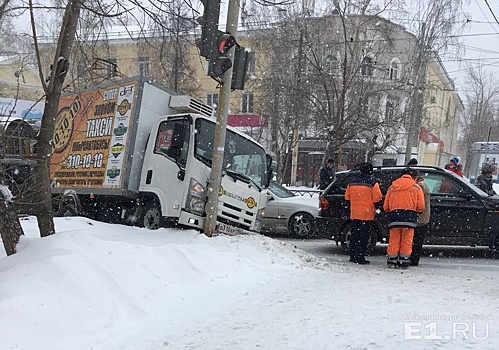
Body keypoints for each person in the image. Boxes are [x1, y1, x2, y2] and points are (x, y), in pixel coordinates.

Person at [383, 167, 425, 269]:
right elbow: (421, 207)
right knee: (407, 240)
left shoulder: (392, 188)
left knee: (394, 239)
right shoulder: (416, 188)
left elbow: (386, 207)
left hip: (394, 217)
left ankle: (392, 260)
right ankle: (404, 261)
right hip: (409, 218)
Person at [344, 162, 382, 265]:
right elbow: (377, 198)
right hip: (367, 214)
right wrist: (378, 208)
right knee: (363, 237)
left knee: (354, 236)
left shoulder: (351, 182)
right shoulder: (373, 183)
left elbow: (347, 198)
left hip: (354, 213)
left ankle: (352, 255)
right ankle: (360, 256)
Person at [410, 173, 430, 266]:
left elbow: (418, 201)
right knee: (418, 240)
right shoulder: (422, 184)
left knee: (415, 240)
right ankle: (414, 258)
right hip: (423, 217)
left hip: (419, 218)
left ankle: (413, 259)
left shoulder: (420, 186)